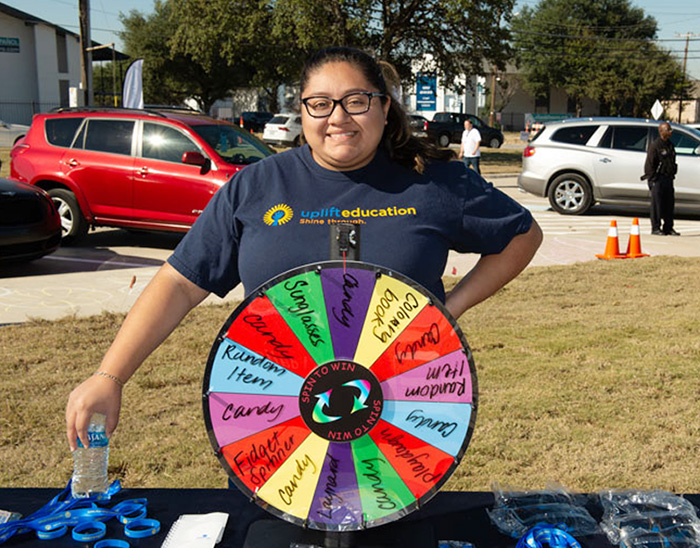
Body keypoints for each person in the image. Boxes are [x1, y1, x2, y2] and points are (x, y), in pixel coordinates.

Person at [66, 46, 542, 452]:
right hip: (275, 411)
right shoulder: (255, 186)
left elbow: (521, 235)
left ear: (383, 105)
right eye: (320, 103)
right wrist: (110, 376)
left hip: (404, 406)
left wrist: (446, 311)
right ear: (303, 110)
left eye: (356, 101)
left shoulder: (434, 181)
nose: (337, 117)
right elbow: (179, 283)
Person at [643, 122, 679, 236]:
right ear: (662, 131)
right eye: (668, 130)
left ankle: (668, 227)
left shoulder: (670, 145)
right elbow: (649, 165)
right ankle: (656, 228)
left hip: (668, 179)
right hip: (657, 179)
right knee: (657, 205)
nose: (670, 132)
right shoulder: (655, 146)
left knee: (669, 204)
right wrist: (652, 179)